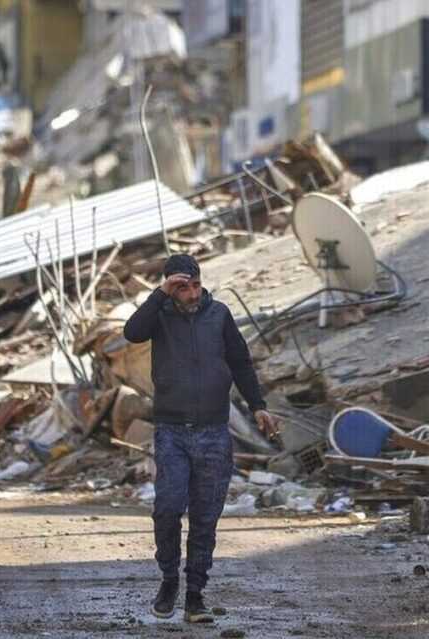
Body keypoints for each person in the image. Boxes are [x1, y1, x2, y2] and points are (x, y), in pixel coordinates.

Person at [123, 254, 279, 622]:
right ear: (170, 287)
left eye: (196, 285)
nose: (192, 294)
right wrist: (160, 294)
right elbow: (132, 333)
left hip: (213, 432)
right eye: (183, 288)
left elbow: (240, 362)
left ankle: (195, 595)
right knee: (168, 508)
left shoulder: (219, 314)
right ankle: (169, 581)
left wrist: (258, 406)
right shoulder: (159, 314)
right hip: (172, 431)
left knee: (206, 516)